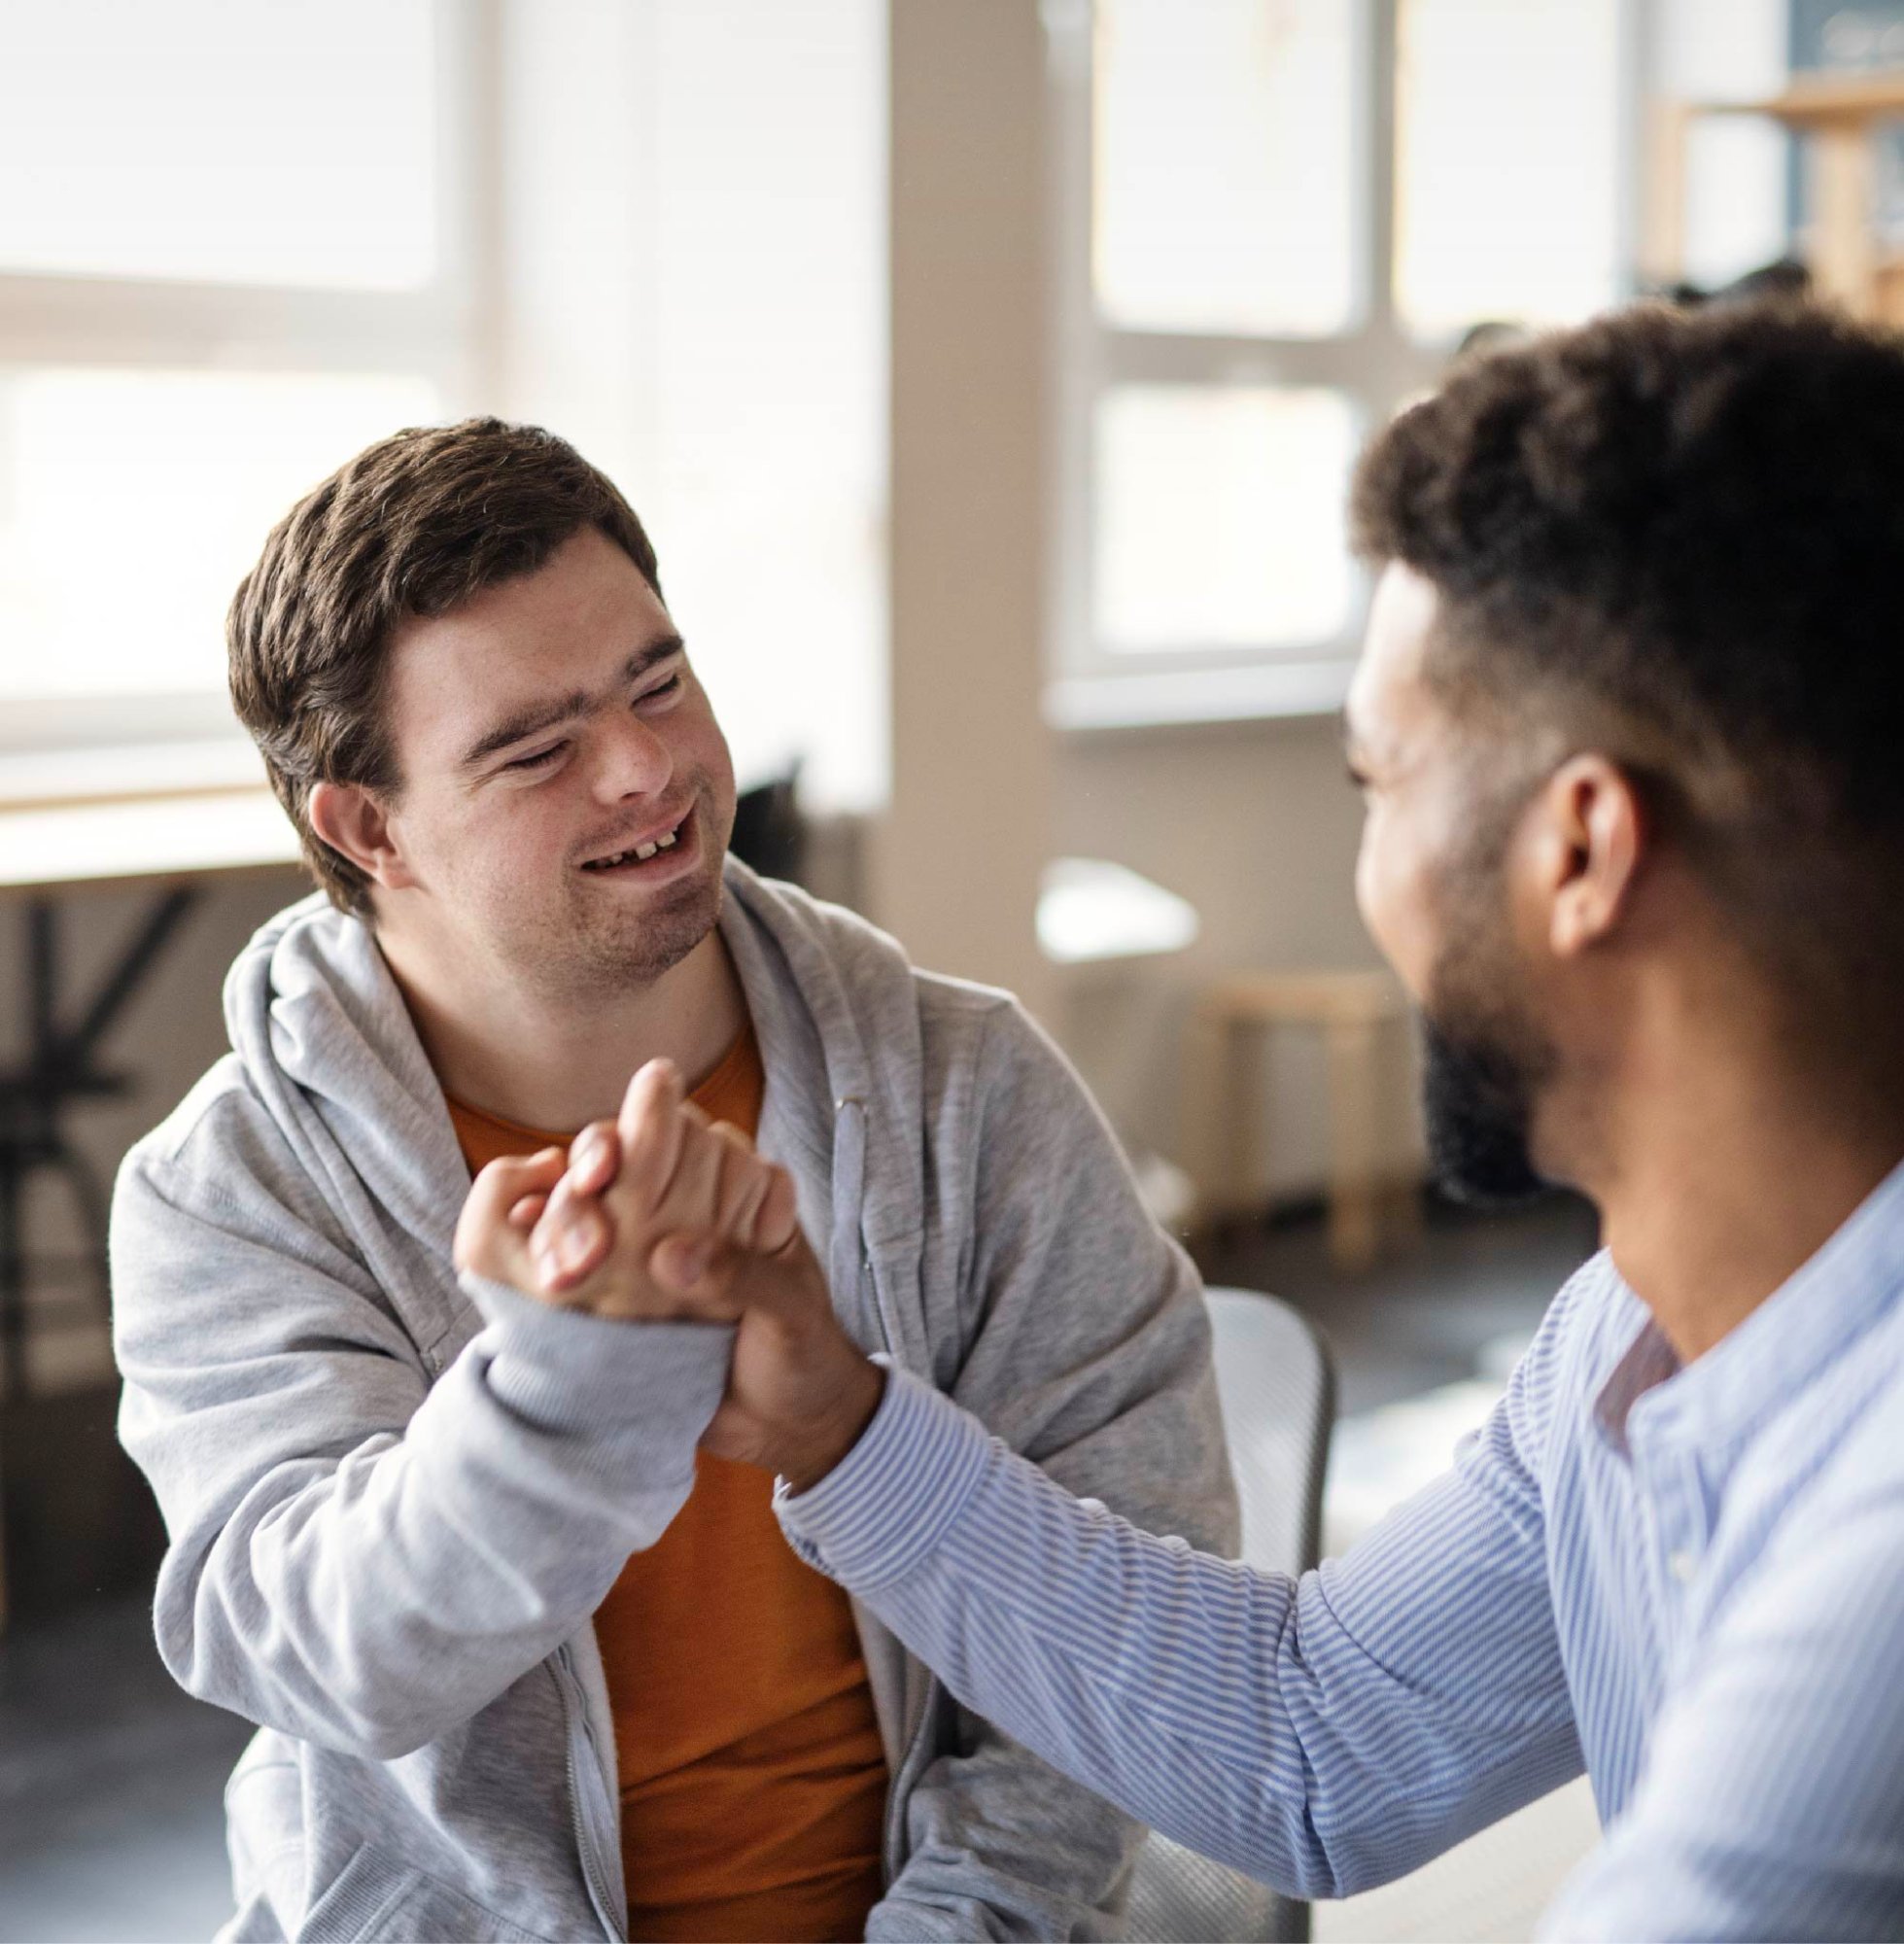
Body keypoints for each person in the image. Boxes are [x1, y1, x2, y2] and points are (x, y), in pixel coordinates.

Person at [504, 301, 1904, 1940]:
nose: (1364, 867)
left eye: (1377, 783)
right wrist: (836, 1421)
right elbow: (1321, 1743)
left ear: (1580, 852)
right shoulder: (1627, 1340)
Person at [110, 419, 1235, 1943]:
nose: (649, 769)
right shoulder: (230, 1188)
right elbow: (329, 1654)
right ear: (371, 827)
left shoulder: (966, 1089)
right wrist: (572, 1383)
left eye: (660, 682)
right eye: (537, 747)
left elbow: (1129, 1609)